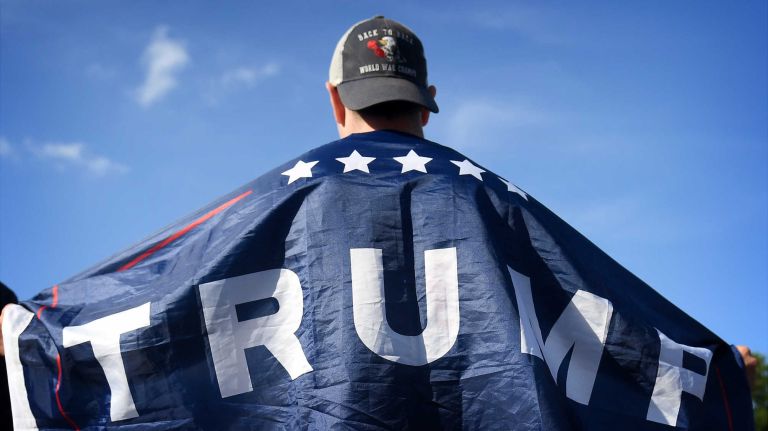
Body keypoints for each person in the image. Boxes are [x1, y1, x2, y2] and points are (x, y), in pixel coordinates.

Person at [0, 15, 758, 430]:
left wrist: (25, 328)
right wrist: (716, 363)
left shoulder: (275, 206)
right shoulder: (501, 210)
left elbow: (156, 318)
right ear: (430, 101)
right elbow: (617, 328)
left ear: (335, 98)